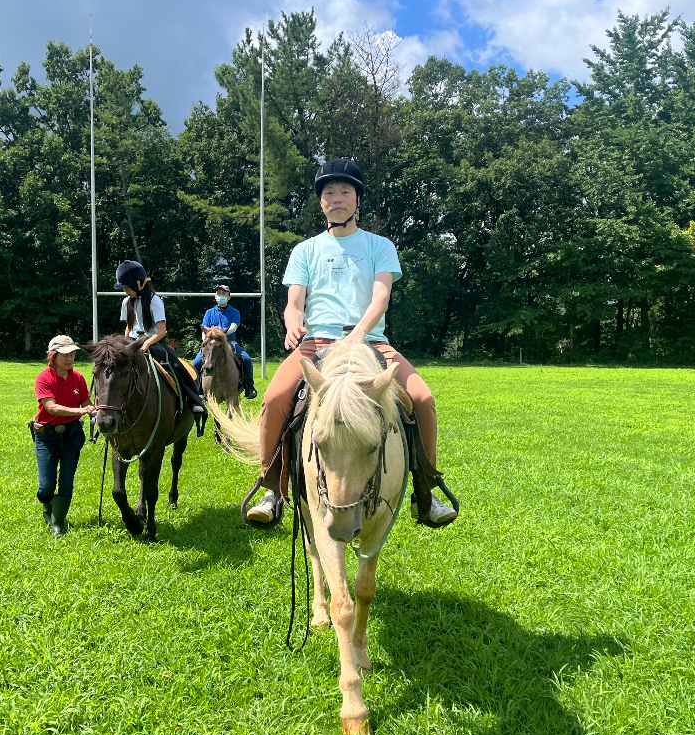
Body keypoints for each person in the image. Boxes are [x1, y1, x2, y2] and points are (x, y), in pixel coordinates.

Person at [245, 158, 458, 527]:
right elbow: (294, 303)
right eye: (329, 192)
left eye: (345, 191)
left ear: (358, 199)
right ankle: (271, 490)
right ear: (321, 202)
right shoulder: (305, 250)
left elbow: (381, 297)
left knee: (423, 399)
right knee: (274, 399)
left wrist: (359, 333)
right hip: (317, 343)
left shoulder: (380, 245)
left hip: (371, 342)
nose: (337, 198)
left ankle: (426, 493)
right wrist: (293, 325)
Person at [116, 260, 206, 418]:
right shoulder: (126, 302)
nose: (125, 290)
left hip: (153, 341)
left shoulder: (154, 301)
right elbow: (129, 327)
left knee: (176, 364)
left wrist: (146, 344)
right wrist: (124, 345)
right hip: (132, 342)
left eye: (127, 286)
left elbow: (162, 331)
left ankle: (195, 399)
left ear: (139, 284)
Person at [32, 334, 92, 538]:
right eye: (65, 355)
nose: (70, 358)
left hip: (71, 435)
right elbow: (52, 407)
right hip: (46, 437)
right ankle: (47, 507)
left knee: (66, 481)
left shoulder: (78, 378)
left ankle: (57, 524)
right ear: (53, 355)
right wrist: (80, 411)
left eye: (72, 354)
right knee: (46, 486)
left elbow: (86, 402)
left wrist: (94, 410)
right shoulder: (43, 378)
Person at [191, 284, 257, 399]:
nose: (221, 295)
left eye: (224, 293)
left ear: (229, 297)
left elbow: (234, 326)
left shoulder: (234, 312)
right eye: (219, 293)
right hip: (211, 342)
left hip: (229, 341)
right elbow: (204, 328)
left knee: (246, 359)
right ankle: (197, 389)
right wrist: (205, 340)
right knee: (196, 362)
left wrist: (220, 334)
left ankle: (249, 386)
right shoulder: (209, 312)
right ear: (215, 296)